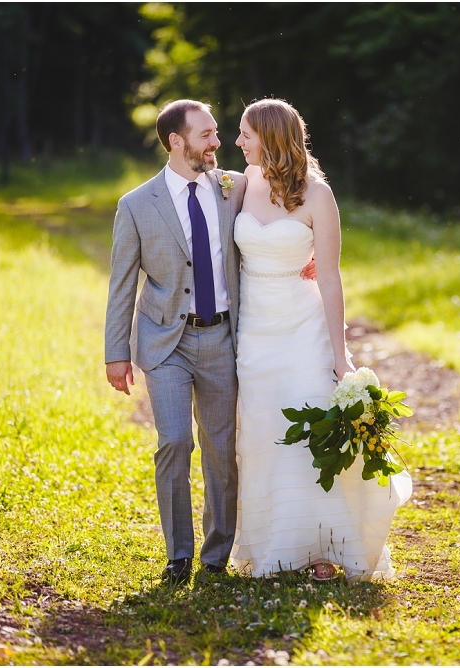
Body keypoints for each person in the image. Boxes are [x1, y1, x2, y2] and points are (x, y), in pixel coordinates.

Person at [104, 99, 314, 585]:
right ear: (176, 142)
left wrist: (306, 256)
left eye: (218, 133)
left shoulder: (235, 187)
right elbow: (121, 284)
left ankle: (216, 555)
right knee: (174, 441)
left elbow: (285, 208)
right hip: (165, 343)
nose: (217, 143)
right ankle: (178, 553)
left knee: (221, 448)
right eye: (206, 136)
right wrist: (116, 353)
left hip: (223, 338)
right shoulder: (136, 205)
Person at [230, 98, 412, 581]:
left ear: (269, 137)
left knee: (310, 434)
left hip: (304, 327)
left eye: (245, 133)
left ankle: (322, 550)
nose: (237, 142)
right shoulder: (238, 184)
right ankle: (272, 546)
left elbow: (330, 278)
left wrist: (341, 353)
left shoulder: (318, 196)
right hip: (254, 329)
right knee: (263, 433)